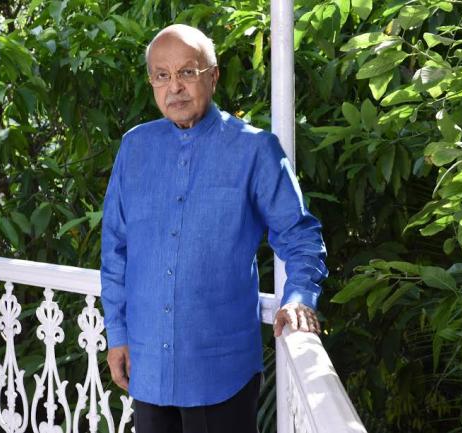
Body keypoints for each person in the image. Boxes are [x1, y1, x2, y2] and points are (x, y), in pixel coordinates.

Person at [100, 24, 327, 433]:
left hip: (221, 371)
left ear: (214, 76)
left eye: (187, 72)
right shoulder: (134, 148)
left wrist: (299, 296)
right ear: (152, 82)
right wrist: (117, 334)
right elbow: (114, 249)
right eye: (162, 75)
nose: (175, 87)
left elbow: (300, 234)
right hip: (148, 367)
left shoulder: (254, 149)